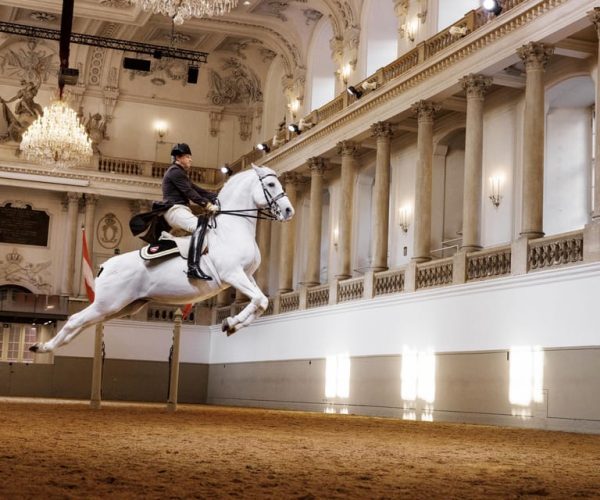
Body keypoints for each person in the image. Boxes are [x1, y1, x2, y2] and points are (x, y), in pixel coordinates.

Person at [162, 143, 218, 280]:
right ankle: (193, 267)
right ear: (178, 157)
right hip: (175, 210)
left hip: (180, 210)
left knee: (202, 230)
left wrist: (217, 197)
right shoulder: (175, 172)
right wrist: (207, 204)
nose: (190, 160)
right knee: (201, 228)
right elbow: (189, 192)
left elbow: (198, 189)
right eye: (187, 157)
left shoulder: (181, 173)